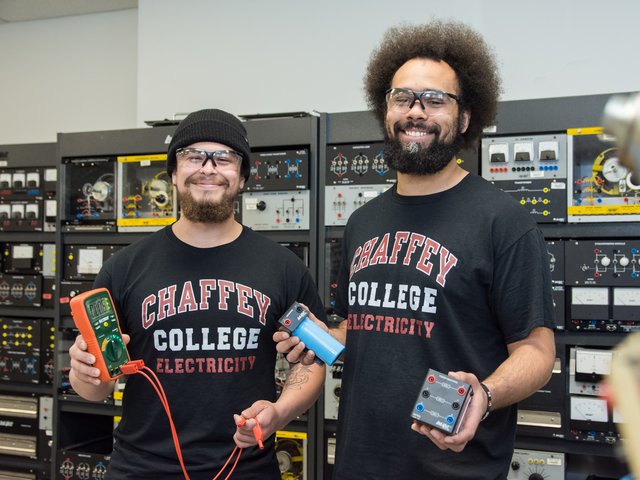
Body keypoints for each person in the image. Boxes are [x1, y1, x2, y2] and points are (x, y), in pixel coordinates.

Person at [276, 20, 556, 480]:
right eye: (402, 97)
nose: (416, 112)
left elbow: (537, 352)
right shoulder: (363, 222)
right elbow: (356, 326)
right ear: (386, 110)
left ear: (465, 118)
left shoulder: (503, 221)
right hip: (358, 461)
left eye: (435, 99)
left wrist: (484, 394)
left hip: (453, 467)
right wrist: (313, 343)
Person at [69, 108, 326, 479]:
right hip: (141, 468)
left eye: (223, 157)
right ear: (173, 173)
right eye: (193, 156)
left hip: (246, 466)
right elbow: (96, 389)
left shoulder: (284, 267)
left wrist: (281, 412)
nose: (207, 168)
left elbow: (310, 362)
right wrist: (85, 374)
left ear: (242, 177)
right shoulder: (124, 268)